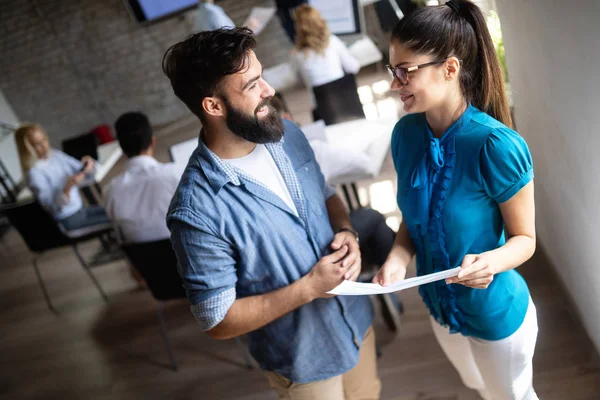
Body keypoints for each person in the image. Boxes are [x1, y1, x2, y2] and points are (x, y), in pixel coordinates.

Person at [162, 28, 380, 399]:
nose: (269, 91)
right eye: (251, 85)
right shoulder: (195, 212)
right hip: (306, 364)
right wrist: (309, 288)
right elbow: (218, 319)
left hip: (358, 323)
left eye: (262, 76)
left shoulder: (287, 134)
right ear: (213, 106)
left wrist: (346, 231)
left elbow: (326, 196)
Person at [374, 1, 539, 399]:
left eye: (405, 71)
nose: (395, 84)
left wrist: (489, 262)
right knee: (477, 387)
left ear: (449, 68)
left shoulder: (496, 146)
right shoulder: (405, 136)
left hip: (495, 313)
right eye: (391, 70)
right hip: (440, 311)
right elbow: (415, 220)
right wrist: (398, 256)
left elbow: (526, 240)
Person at [104, 112, 183, 244]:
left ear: (121, 148)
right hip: (190, 256)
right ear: (153, 141)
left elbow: (115, 224)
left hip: (145, 261)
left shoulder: (111, 190)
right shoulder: (177, 173)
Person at [14, 123, 110, 231]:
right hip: (67, 219)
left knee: (116, 211)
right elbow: (52, 207)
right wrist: (68, 187)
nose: (44, 146)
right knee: (116, 218)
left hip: (80, 210)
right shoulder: (34, 174)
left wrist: (88, 164)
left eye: (44, 140)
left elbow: (83, 170)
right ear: (27, 149)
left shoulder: (55, 155)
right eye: (37, 144)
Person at [290, 5, 360, 90]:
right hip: (345, 95)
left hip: (320, 101)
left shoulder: (296, 54)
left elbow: (298, 81)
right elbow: (353, 68)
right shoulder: (332, 41)